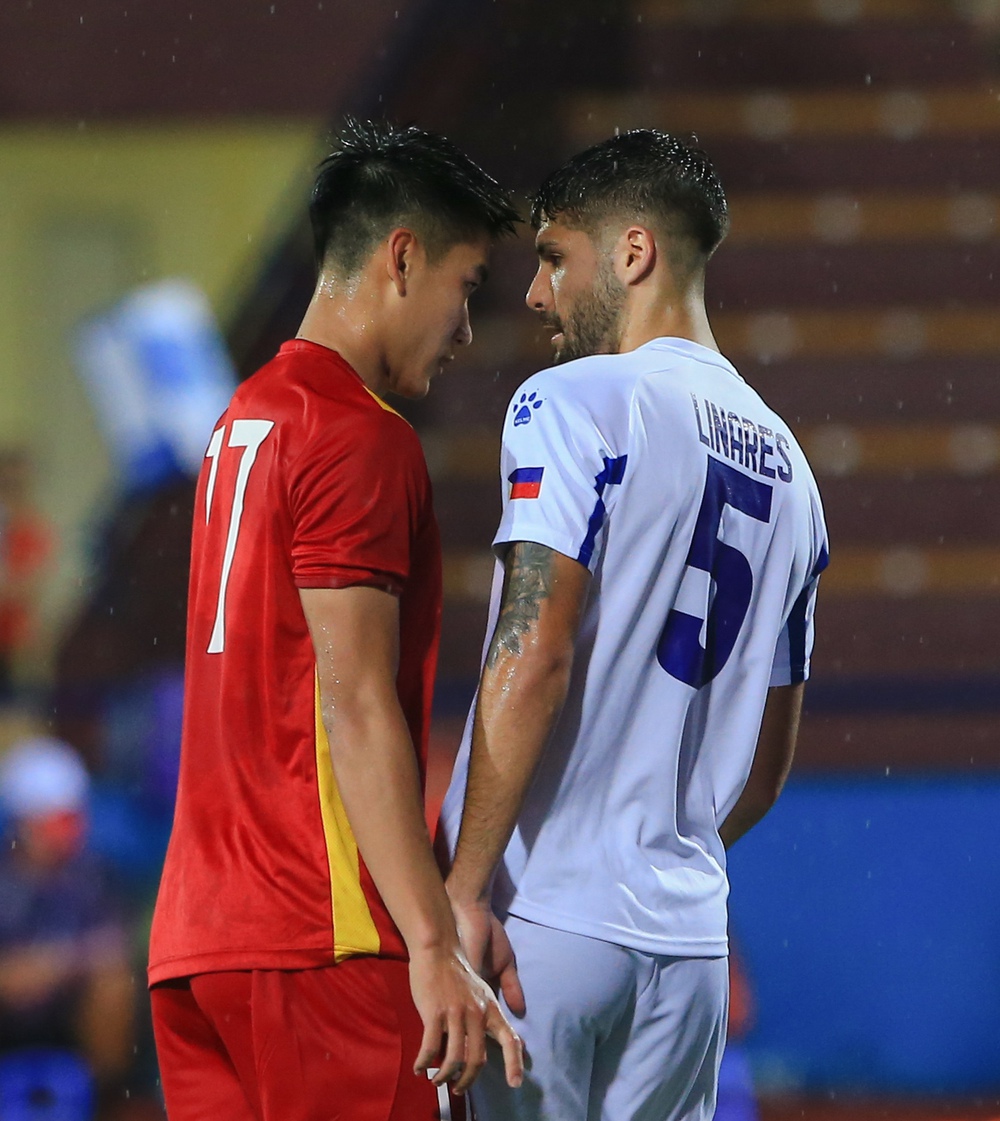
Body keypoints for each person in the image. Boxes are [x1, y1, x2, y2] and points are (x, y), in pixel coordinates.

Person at [439, 130, 829, 1121]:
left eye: (553, 257)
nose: (535, 293)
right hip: (689, 940)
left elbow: (535, 651)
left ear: (633, 252)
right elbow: (768, 764)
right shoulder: (793, 467)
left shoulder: (573, 401)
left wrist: (464, 885)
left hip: (545, 920)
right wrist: (668, 846)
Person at [148, 119, 523, 1121]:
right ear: (402, 257)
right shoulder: (359, 434)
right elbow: (352, 703)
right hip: (324, 936)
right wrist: (434, 943)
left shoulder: (244, 418)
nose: (466, 330)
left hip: (198, 944)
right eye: (466, 288)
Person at [0, 736, 134, 1088]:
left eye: (74, 819)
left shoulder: (92, 876)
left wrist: (53, 966)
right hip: (11, 1023)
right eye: (59, 821)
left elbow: (113, 952)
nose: (71, 831)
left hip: (67, 1017)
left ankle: (109, 1100)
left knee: (115, 987)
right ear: (27, 823)